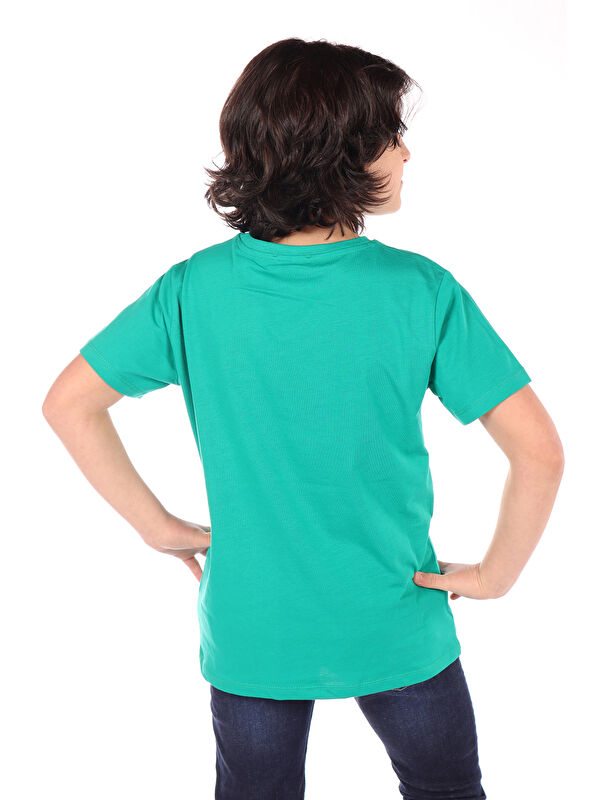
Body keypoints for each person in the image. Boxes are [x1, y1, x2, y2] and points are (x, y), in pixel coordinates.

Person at [42, 37, 564, 800]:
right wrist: (497, 574)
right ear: (339, 152)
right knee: (447, 788)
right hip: (398, 617)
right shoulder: (421, 290)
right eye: (392, 135)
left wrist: (156, 527)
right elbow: (540, 452)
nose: (408, 154)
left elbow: (68, 404)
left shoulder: (192, 290)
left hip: (253, 631)